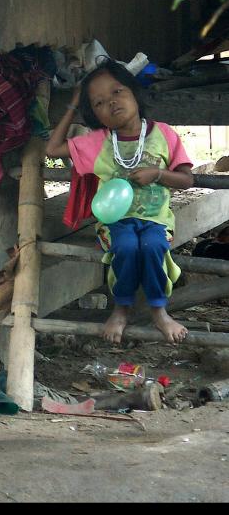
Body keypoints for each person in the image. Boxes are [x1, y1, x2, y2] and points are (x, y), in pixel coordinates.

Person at [46, 59, 194, 344]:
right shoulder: (98, 141)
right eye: (99, 103)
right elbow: (52, 148)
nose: (111, 103)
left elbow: (187, 180)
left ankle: (159, 310)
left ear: (135, 92)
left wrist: (159, 174)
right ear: (95, 115)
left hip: (156, 220)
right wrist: (73, 106)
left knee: (152, 246)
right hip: (114, 223)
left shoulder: (164, 134)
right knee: (125, 246)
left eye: (117, 92)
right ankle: (121, 308)